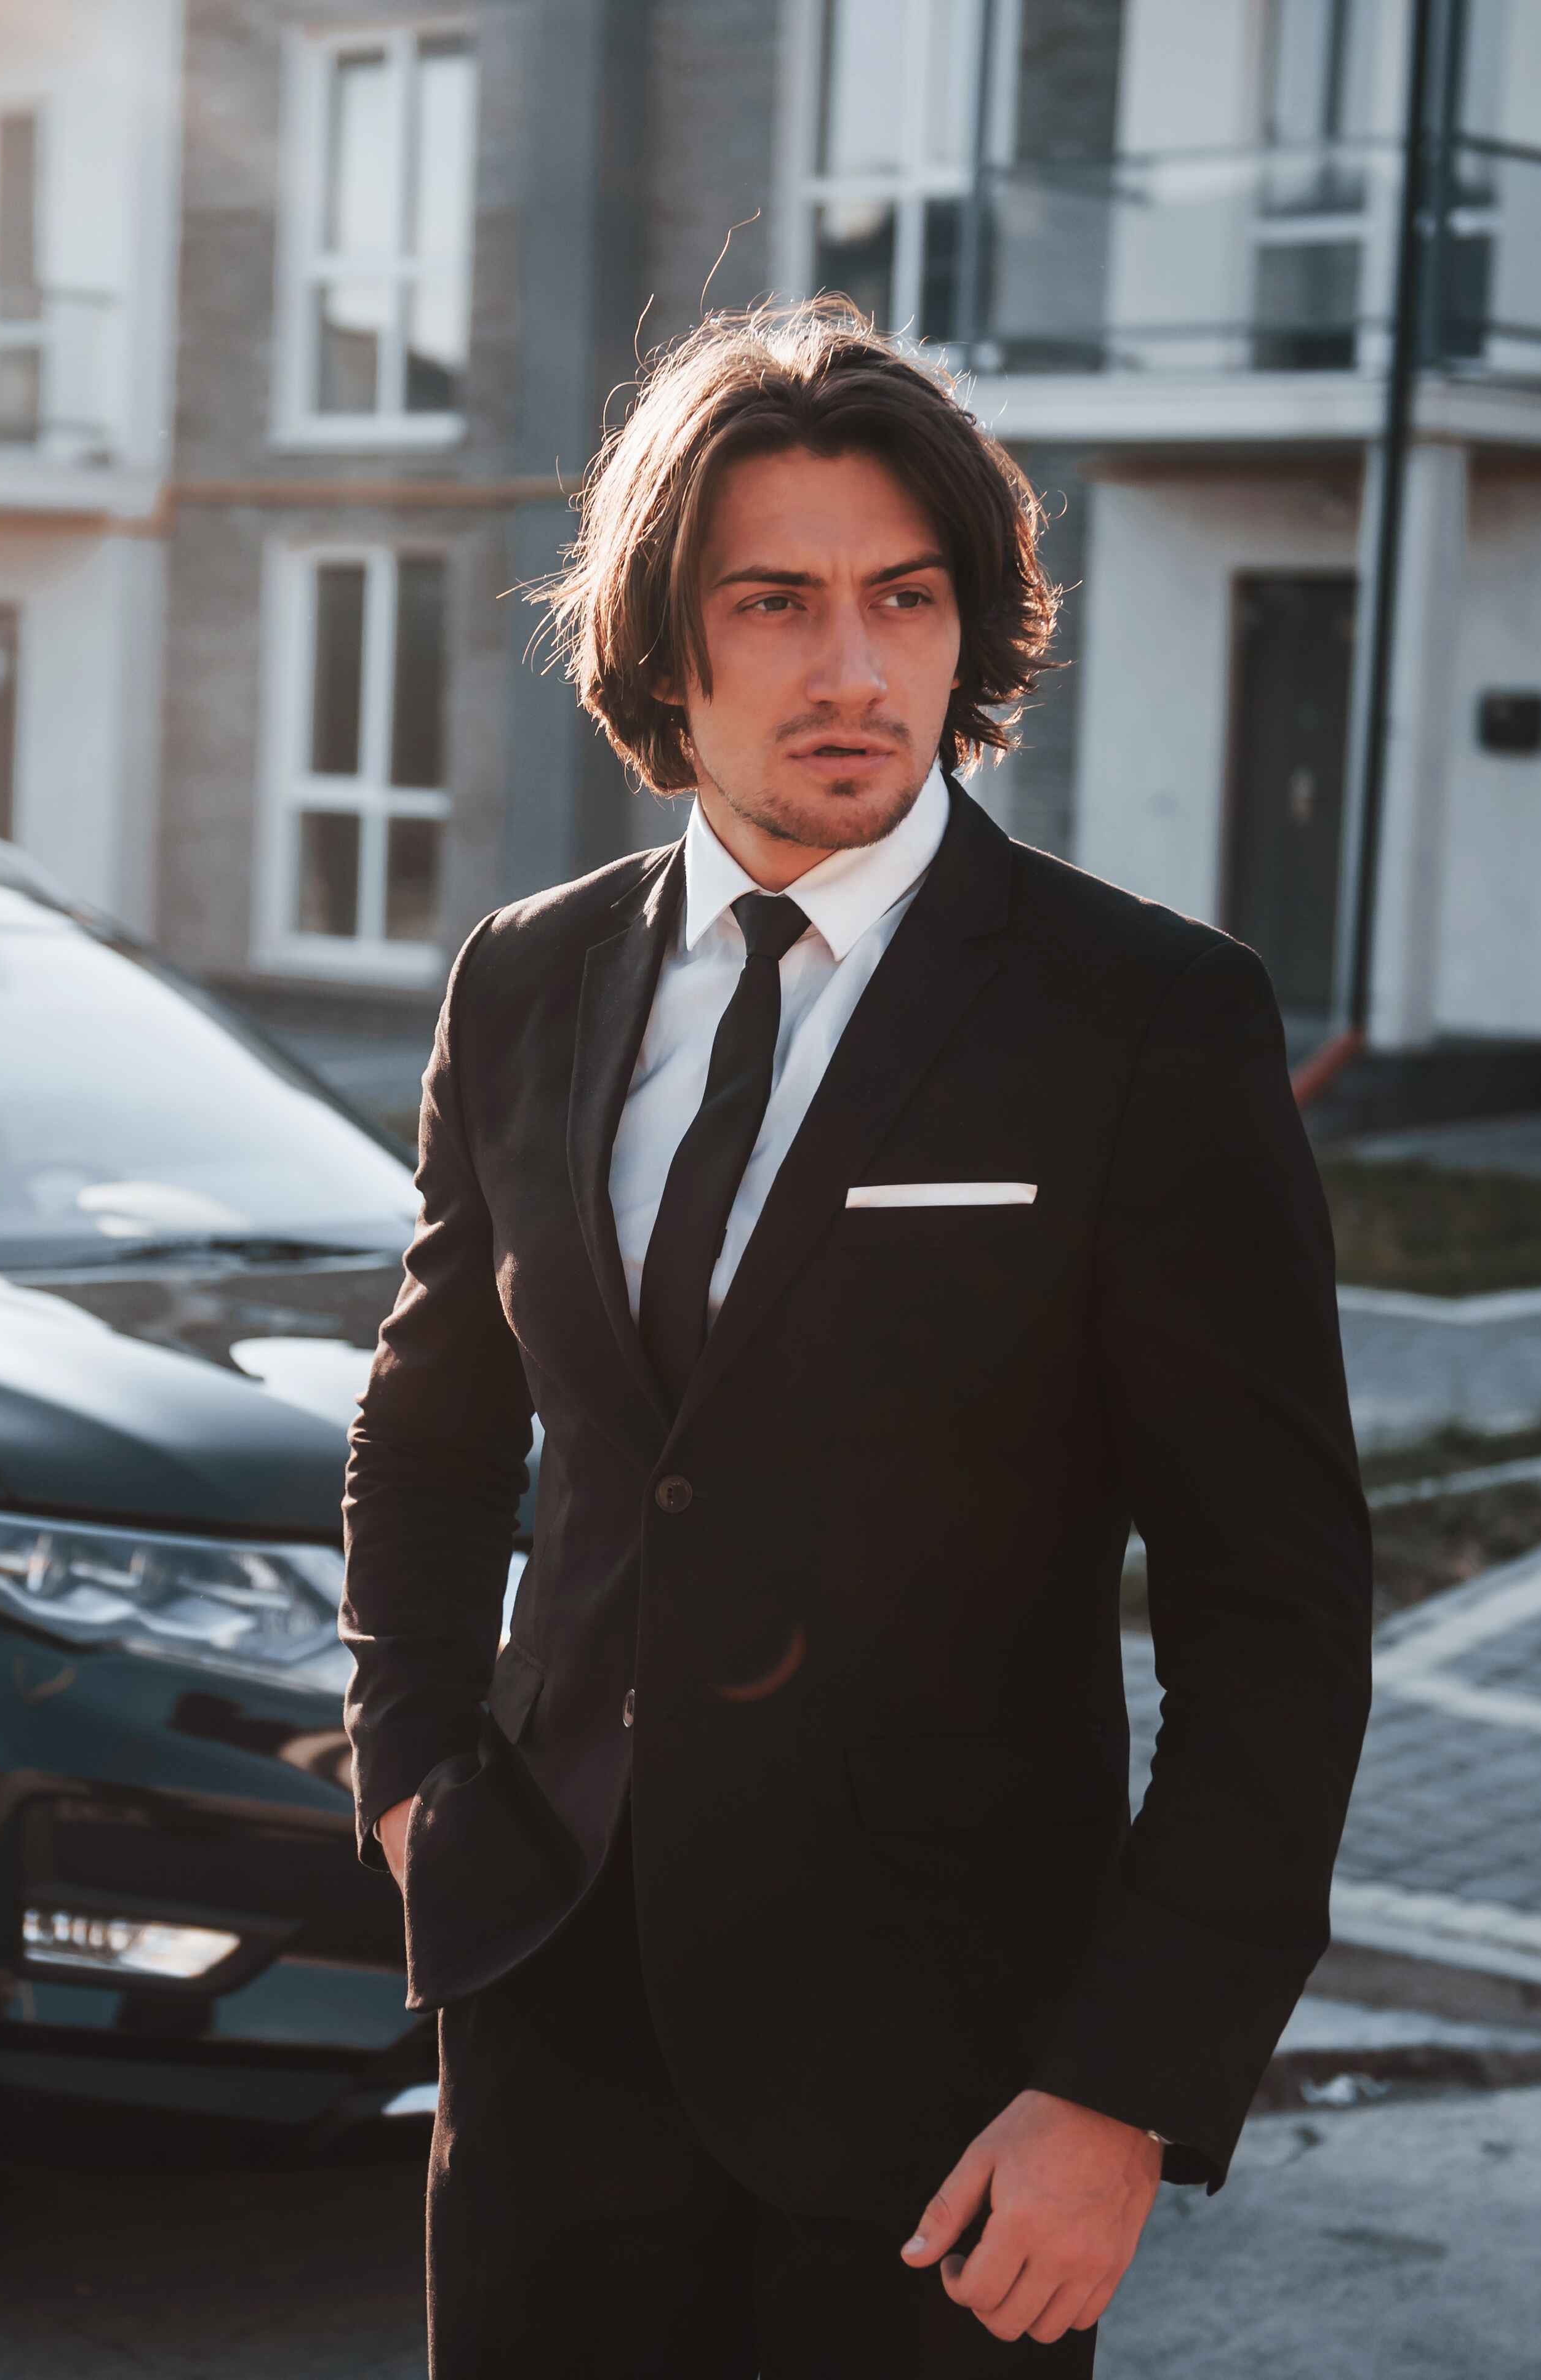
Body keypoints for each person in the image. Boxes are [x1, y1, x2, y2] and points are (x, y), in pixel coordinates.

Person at [337, 297, 1374, 2374]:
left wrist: (1123, 2090)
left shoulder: (1137, 1021)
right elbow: (433, 1434)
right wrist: (414, 1793)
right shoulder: (525, 983)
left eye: (903, 599)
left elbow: (1279, 1607)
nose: (850, 667)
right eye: (778, 602)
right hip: (551, 2023)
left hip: (945, 2102)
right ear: (664, 646)